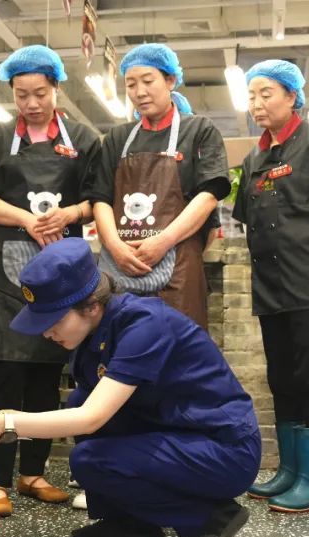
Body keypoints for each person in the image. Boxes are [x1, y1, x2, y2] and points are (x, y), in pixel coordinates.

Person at [0, 238, 261, 537]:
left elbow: (92, 417)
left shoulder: (145, 324)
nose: (46, 333)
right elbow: (87, 413)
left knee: (91, 459)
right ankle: (132, 524)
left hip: (224, 450)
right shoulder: (93, 336)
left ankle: (208, 518)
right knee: (80, 402)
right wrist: (1, 427)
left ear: (91, 306)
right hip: (176, 434)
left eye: (53, 321)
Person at [0, 45, 102, 516]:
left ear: (56, 88)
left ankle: (33, 474)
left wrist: (71, 213)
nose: (31, 103)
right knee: (5, 372)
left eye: (39, 93)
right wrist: (25, 219)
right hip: (4, 267)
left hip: (60, 267)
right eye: (21, 95)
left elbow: (98, 199)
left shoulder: (83, 138)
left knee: (46, 372)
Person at [232, 60, 309, 513]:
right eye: (251, 96)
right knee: (281, 377)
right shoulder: (254, 159)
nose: (257, 103)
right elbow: (246, 220)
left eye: (266, 93)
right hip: (270, 287)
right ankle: (290, 470)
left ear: (291, 96)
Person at [86, 43, 230, 329]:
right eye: (131, 84)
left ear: (170, 80)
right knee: (122, 343)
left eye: (148, 81)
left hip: (178, 270)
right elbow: (100, 198)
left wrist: (163, 241)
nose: (139, 92)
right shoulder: (117, 138)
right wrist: (115, 246)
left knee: (177, 344)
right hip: (121, 267)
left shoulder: (199, 130)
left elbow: (209, 195)